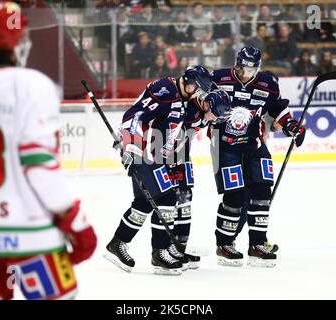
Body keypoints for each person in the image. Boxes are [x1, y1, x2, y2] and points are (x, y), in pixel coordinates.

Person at [0, 2, 97, 300]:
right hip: (30, 233)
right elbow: (39, 165)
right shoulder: (33, 86)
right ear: (17, 41)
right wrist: (74, 220)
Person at [103, 65, 215, 275]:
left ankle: (118, 243)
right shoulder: (165, 90)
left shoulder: (183, 98)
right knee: (166, 198)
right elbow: (134, 115)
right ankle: (159, 253)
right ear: (189, 82)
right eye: (198, 88)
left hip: (155, 155)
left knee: (144, 202)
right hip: (142, 153)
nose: (199, 94)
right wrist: (129, 145)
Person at [209, 47, 306, 267]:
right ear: (237, 64)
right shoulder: (219, 78)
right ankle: (224, 244)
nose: (247, 73)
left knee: (262, 191)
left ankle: (257, 244)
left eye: (252, 69)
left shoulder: (268, 84)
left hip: (254, 145)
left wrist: (292, 125)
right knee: (234, 196)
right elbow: (201, 101)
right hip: (225, 147)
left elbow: (278, 109)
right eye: (244, 68)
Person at [167, 89, 232, 270]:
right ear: (206, 105)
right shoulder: (189, 111)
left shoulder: (205, 109)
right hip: (169, 158)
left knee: (185, 200)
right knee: (171, 203)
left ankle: (180, 246)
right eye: (215, 115)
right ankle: (168, 247)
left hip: (182, 157)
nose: (215, 119)